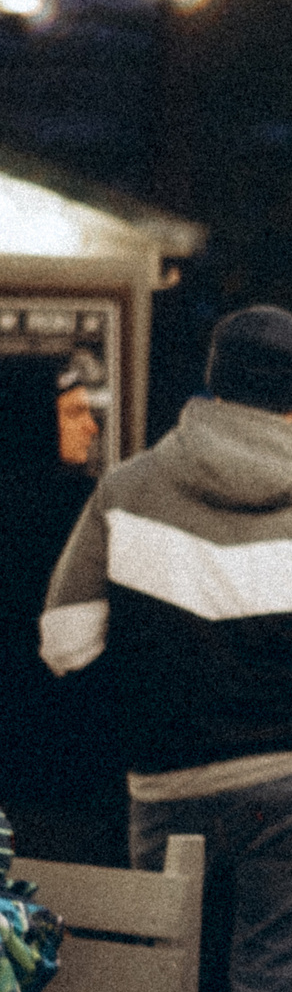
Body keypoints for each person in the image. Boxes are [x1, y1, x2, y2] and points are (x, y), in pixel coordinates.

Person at [41, 306, 292, 992]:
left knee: (157, 985)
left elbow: (64, 638)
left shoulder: (126, 491)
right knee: (269, 988)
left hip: (167, 778)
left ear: (211, 375)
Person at [0, 359, 121, 869]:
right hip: (68, 766)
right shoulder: (83, 511)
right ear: (30, 419)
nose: (92, 426)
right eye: (73, 413)